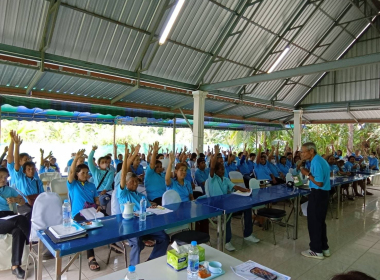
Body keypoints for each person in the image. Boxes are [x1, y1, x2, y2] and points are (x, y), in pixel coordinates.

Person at [118, 143, 169, 266]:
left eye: (136, 182)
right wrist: (129, 155)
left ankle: (151, 261)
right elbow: (123, 173)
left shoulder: (141, 196)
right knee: (137, 243)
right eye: (132, 182)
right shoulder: (123, 194)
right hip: (130, 226)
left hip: (145, 225)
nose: (135, 184)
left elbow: (148, 209)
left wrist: (152, 207)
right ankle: (134, 269)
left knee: (164, 238)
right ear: (126, 182)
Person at [209, 145, 259, 251]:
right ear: (216, 171)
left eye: (223, 169)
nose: (223, 171)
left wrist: (246, 190)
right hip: (216, 204)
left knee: (247, 207)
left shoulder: (225, 179)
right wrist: (216, 152)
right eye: (221, 169)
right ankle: (226, 241)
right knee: (226, 213)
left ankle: (248, 235)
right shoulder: (213, 178)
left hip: (226, 201)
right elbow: (212, 167)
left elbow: (235, 186)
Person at [67, 149, 103, 271]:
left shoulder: (91, 185)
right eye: (83, 172)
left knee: (108, 219)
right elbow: (71, 171)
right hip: (79, 214)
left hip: (92, 211)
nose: (86, 175)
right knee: (89, 228)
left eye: (87, 172)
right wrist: (76, 158)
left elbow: (96, 199)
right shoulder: (73, 185)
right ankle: (91, 257)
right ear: (77, 174)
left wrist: (98, 205)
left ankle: (113, 243)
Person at [300, 142, 331, 260]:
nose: (302, 154)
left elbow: (319, 182)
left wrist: (307, 174)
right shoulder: (318, 160)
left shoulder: (317, 161)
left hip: (318, 193)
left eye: (303, 151)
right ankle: (324, 248)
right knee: (320, 222)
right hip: (322, 194)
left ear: (311, 151)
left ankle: (315, 250)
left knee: (314, 222)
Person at [0, 167, 30, 279]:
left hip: (9, 217)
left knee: (18, 230)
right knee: (21, 219)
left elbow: (23, 201)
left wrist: (16, 200)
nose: (3, 179)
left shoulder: (9, 190)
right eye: (0, 177)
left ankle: (15, 266)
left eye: (5, 177)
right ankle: (32, 240)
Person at [11, 133, 44, 221]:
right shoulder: (20, 177)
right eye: (29, 169)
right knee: (30, 217)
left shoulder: (37, 181)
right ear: (24, 171)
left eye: (33, 169)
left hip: (35, 204)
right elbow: (17, 163)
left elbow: (42, 195)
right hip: (23, 205)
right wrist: (17, 146)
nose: (31, 171)